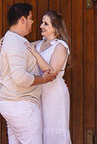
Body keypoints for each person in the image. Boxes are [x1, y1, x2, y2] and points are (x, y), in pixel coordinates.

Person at [0, 2, 57, 144]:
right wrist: (43, 79)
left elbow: (32, 46)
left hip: (13, 103)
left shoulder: (15, 40)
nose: (33, 22)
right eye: (30, 18)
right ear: (22, 20)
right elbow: (20, 78)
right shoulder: (15, 42)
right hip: (21, 105)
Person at [28, 10, 71, 144]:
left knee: (55, 129)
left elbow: (52, 71)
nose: (41, 26)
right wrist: (6, 40)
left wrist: (34, 53)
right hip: (40, 93)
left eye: (46, 24)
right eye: (42, 23)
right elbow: (23, 45)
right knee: (40, 130)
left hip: (55, 94)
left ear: (55, 28)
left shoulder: (60, 47)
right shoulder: (40, 44)